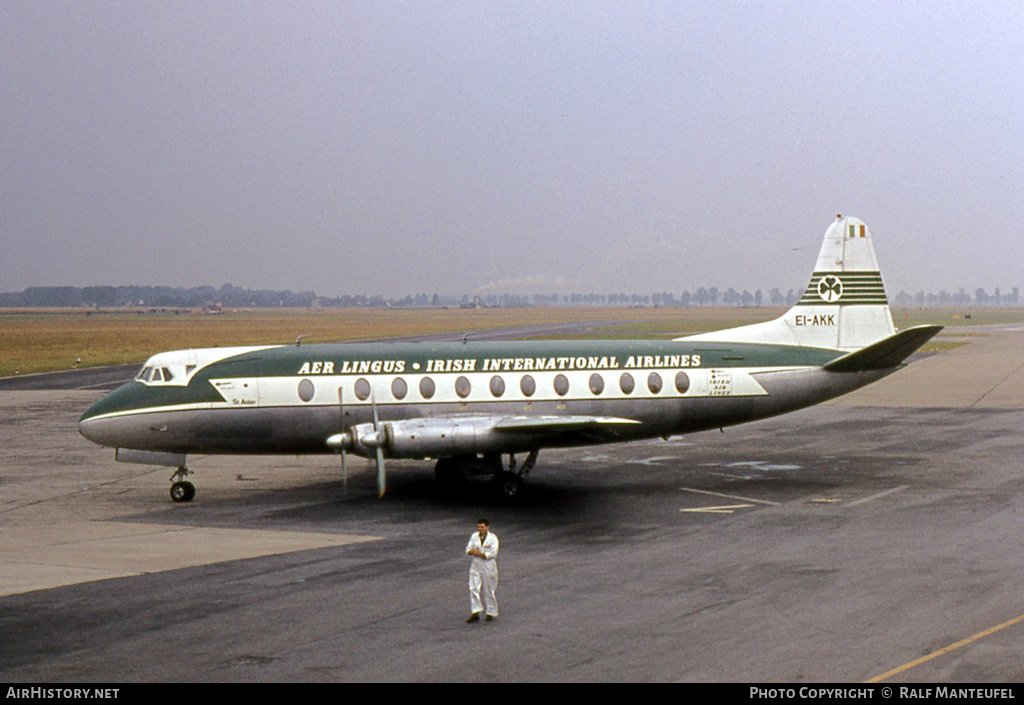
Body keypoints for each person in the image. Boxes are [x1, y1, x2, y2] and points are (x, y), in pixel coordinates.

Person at [465, 518, 499, 622]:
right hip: (476, 565)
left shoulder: (493, 538)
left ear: (487, 527)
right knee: (473, 587)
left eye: (482, 527)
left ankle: (491, 612)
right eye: (479, 527)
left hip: (488, 566)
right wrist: (472, 552)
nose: (480, 529)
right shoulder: (474, 536)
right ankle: (476, 611)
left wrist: (482, 554)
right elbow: (468, 549)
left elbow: (493, 553)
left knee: (489, 590)